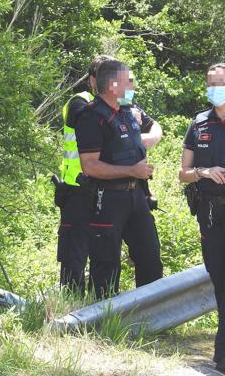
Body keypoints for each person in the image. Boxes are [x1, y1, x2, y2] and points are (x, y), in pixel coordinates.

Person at [57, 56, 162, 295]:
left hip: (134, 194)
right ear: (110, 84)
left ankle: (151, 315)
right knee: (96, 261)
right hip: (90, 194)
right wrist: (131, 170)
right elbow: (91, 165)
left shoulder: (128, 111)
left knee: (149, 255)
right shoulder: (85, 109)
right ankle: (95, 319)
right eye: (128, 81)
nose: (133, 87)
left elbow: (150, 128)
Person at [178, 63, 225, 372]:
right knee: (220, 282)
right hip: (209, 214)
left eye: (219, 82)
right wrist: (204, 172)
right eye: (210, 83)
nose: (213, 88)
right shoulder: (199, 123)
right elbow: (182, 174)